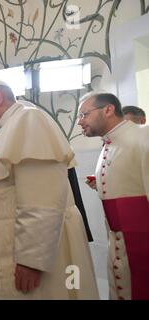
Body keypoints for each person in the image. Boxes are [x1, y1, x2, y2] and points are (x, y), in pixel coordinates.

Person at [0, 80, 99, 299]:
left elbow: (43, 196)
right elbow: (2, 189)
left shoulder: (29, 119)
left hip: (37, 251)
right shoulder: (12, 126)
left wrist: (31, 260)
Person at [78, 92, 149, 300]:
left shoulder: (143, 137)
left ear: (108, 110)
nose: (80, 122)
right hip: (118, 243)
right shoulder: (107, 145)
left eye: (84, 115)